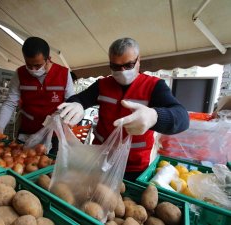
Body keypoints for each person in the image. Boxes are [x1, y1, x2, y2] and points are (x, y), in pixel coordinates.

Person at [58, 37, 189, 181]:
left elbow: (182, 117)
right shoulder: (102, 85)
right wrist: (77, 105)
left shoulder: (154, 86)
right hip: (100, 160)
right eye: (115, 66)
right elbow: (80, 99)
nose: (122, 71)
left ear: (139, 60)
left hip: (133, 167)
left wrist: (154, 116)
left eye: (128, 65)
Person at [0, 37, 75, 151]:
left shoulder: (63, 73)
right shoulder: (20, 74)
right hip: (27, 131)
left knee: (49, 166)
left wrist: (63, 116)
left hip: (53, 134)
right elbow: (9, 103)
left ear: (48, 59)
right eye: (29, 65)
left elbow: (71, 102)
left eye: (37, 65)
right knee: (22, 161)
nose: (33, 69)